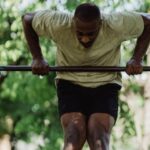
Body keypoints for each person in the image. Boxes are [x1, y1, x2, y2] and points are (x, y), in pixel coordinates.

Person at [22, 2, 150, 150]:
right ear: (73, 23)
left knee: (99, 137)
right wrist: (37, 58)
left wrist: (137, 58)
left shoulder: (116, 24)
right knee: (73, 135)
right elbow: (27, 19)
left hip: (105, 83)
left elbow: (148, 21)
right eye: (80, 33)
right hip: (70, 82)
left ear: (100, 24)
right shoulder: (58, 23)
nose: (85, 39)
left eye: (90, 33)